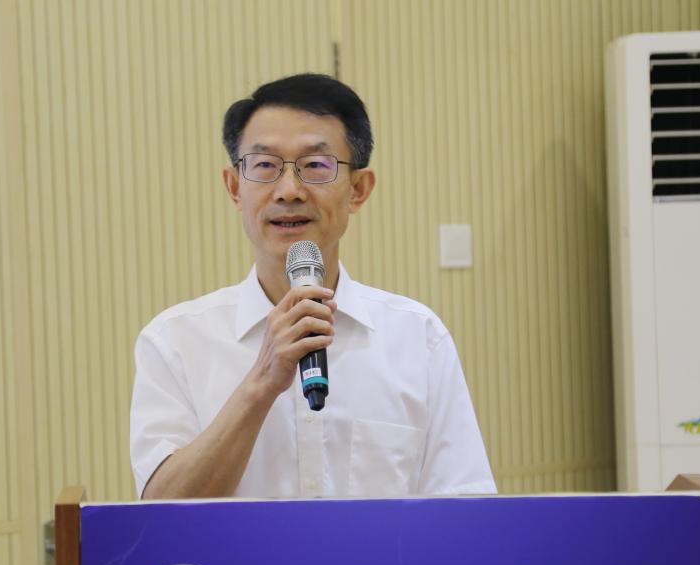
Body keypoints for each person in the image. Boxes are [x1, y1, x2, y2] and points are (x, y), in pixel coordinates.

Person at [130, 73, 496, 499]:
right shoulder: (174, 341)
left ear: (358, 190)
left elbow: (466, 509)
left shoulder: (418, 338)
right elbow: (159, 516)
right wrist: (261, 383)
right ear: (234, 188)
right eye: (265, 166)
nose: (289, 191)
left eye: (316, 166)